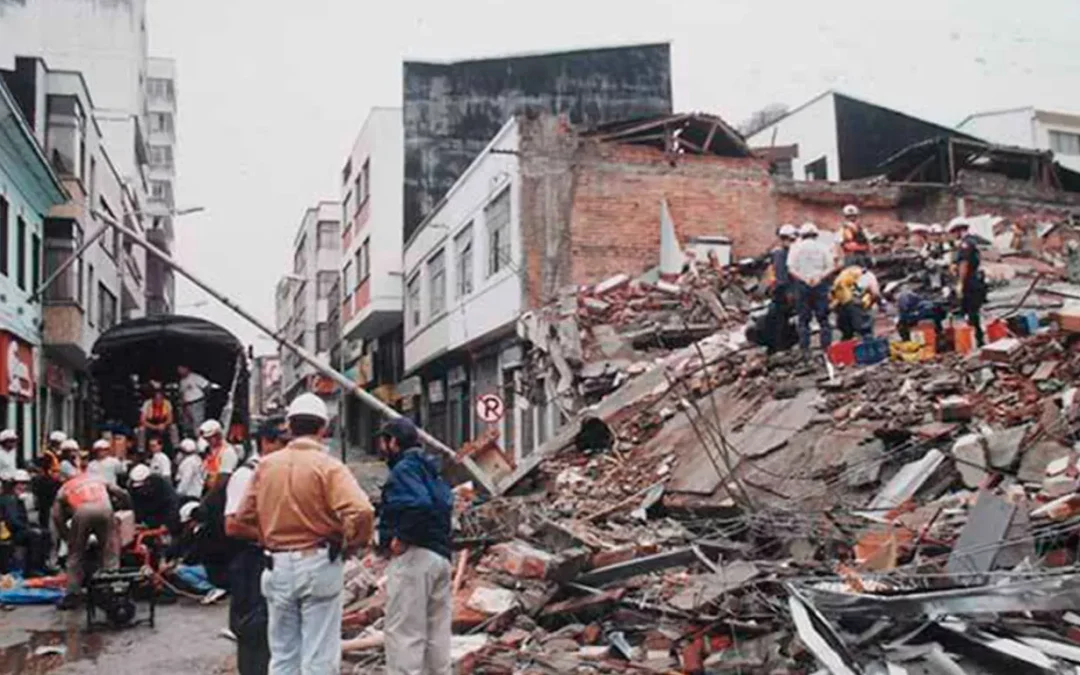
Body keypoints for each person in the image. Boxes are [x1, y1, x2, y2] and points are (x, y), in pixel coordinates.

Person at [233, 393, 374, 675]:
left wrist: (268, 534)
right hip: (319, 563)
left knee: (283, 656)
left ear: (289, 426)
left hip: (277, 565)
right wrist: (352, 542)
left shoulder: (266, 466)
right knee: (319, 656)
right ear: (323, 427)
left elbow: (243, 516)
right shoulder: (328, 466)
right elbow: (362, 510)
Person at [377, 417, 454, 675]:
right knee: (437, 634)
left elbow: (418, 504)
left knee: (404, 633)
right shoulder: (428, 468)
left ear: (393, 442)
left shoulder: (404, 469)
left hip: (415, 556)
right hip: (440, 555)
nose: (382, 448)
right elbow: (444, 503)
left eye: (384, 442)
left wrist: (402, 537)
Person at [225, 417, 289, 675]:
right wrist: (270, 537)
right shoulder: (246, 475)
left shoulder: (280, 472)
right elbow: (232, 525)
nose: (288, 449)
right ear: (265, 442)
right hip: (251, 560)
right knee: (253, 628)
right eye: (283, 442)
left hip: (276, 559)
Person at [52, 466, 130, 609]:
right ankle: (111, 587)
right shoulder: (97, 478)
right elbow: (121, 493)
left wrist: (66, 536)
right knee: (110, 551)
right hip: (105, 509)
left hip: (82, 512)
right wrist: (127, 507)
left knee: (75, 555)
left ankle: (73, 594)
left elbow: (56, 515)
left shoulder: (64, 488)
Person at [787, 222, 836, 357]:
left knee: (803, 319)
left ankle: (805, 349)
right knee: (823, 318)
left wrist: (804, 279)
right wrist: (819, 278)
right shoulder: (823, 247)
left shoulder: (795, 247)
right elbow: (831, 266)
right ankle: (826, 348)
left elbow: (791, 268)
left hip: (803, 286)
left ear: (802, 235)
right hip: (819, 285)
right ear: (815, 235)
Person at [0, 470, 51, 576]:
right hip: (11, 533)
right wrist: (29, 528)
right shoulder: (10, 499)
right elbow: (13, 521)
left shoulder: (18, 498)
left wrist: (32, 527)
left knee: (45, 533)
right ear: (15, 484)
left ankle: (42, 564)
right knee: (35, 535)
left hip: (19, 529)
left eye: (25, 483)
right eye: (21, 483)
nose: (24, 486)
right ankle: (32, 569)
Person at [949, 218, 987, 347]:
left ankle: (976, 341)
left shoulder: (965, 244)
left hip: (970, 281)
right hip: (976, 279)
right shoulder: (973, 241)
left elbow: (964, 264)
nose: (953, 235)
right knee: (974, 311)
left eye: (954, 232)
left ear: (959, 230)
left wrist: (960, 282)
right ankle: (978, 338)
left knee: (970, 311)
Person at [831, 266, 878, 341]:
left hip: (841, 306)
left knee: (847, 335)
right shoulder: (867, 275)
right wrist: (870, 304)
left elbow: (833, 294)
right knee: (865, 333)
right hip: (856, 306)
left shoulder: (845, 273)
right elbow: (875, 293)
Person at [139, 383, 180, 452]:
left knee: (173, 427)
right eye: (156, 399)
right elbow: (142, 420)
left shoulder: (167, 403)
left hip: (163, 423)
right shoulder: (147, 403)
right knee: (141, 429)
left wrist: (164, 424)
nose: (158, 401)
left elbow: (170, 419)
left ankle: (176, 448)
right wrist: (155, 427)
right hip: (151, 424)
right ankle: (141, 450)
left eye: (160, 399)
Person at [200, 420, 238, 493]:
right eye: (206, 438)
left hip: (219, 492)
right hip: (207, 489)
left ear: (218, 435)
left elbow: (223, 481)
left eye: (210, 438)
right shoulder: (208, 450)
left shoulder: (227, 452)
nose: (207, 441)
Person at [178, 365, 211, 434]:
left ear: (186, 368)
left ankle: (200, 438)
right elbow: (182, 394)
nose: (180, 371)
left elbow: (207, 385)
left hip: (197, 402)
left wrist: (206, 397)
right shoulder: (182, 381)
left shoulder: (195, 377)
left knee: (198, 423)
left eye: (181, 369)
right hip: (187, 405)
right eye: (179, 370)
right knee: (187, 424)